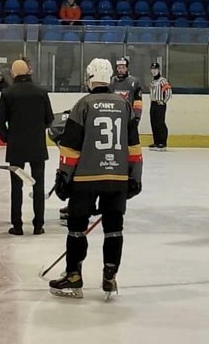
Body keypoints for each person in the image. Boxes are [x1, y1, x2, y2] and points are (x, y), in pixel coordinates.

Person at [49, 58, 143, 299]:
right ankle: (110, 276)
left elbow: (70, 149)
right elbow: (134, 147)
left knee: (76, 229)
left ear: (89, 77)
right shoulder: (124, 105)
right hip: (117, 178)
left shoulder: (83, 104)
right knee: (114, 229)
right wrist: (135, 178)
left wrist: (63, 178)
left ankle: (73, 277)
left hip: (85, 179)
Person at [0, 59, 54, 235]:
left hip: (16, 147)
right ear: (29, 72)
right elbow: (49, 119)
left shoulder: (8, 93)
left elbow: (0, 121)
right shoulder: (41, 92)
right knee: (38, 185)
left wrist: (8, 138)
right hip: (37, 145)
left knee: (16, 187)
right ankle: (38, 225)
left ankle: (17, 225)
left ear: (13, 74)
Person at [110, 57, 143, 122]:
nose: (121, 70)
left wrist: (137, 116)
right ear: (116, 68)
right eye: (119, 68)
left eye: (123, 68)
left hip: (130, 117)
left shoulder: (135, 82)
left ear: (127, 68)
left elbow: (138, 101)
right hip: (114, 116)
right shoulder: (112, 81)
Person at [149, 62, 172, 151]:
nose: (154, 71)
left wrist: (163, 101)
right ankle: (156, 141)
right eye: (152, 69)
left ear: (159, 70)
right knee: (153, 123)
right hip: (153, 103)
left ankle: (163, 142)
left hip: (160, 104)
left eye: (156, 69)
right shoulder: (152, 81)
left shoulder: (163, 80)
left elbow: (169, 92)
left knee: (160, 123)